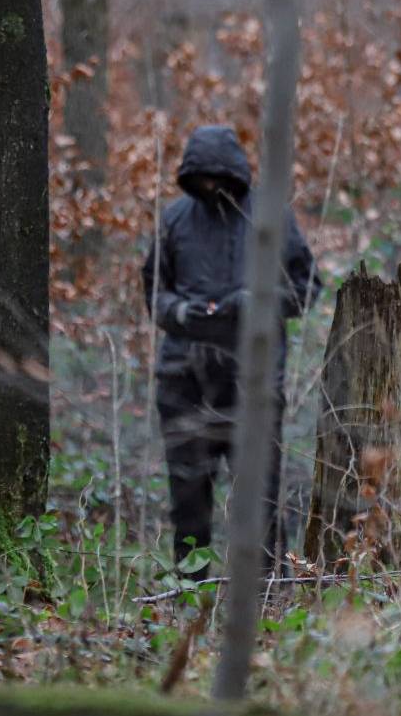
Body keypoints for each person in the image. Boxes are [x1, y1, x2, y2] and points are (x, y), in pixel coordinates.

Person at [142, 124, 316, 577]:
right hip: (185, 382)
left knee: (258, 502)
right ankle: (188, 597)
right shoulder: (175, 219)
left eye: (219, 179)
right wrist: (181, 311)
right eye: (202, 180)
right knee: (189, 507)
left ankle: (266, 601)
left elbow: (306, 288)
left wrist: (256, 302)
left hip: (253, 386)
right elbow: (154, 293)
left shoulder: (271, 216)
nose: (211, 188)